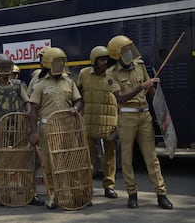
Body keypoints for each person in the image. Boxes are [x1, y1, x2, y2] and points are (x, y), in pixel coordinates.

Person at [106, 35, 173, 209]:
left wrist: (158, 102)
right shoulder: (111, 72)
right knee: (127, 158)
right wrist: (141, 87)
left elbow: (149, 88)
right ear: (117, 54)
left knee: (152, 157)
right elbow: (120, 98)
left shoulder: (139, 65)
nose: (129, 52)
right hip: (127, 117)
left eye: (129, 48)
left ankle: (161, 194)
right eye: (125, 50)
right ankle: (132, 194)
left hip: (144, 116)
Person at [27, 47, 83, 209]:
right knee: (50, 163)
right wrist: (34, 132)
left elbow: (78, 100)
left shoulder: (69, 82)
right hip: (47, 128)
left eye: (61, 62)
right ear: (47, 64)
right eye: (56, 62)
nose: (60, 65)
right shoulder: (40, 85)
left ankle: (75, 193)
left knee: (71, 160)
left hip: (67, 127)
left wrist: (76, 108)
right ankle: (54, 194)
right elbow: (32, 110)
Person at [0, 54, 35, 201]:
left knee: (23, 160)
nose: (6, 70)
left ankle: (29, 193)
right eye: (2, 67)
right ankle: (4, 194)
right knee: (3, 162)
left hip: (18, 128)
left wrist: (27, 112)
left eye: (8, 67)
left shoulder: (18, 85)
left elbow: (27, 102)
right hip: (0, 131)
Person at [77, 46, 118, 199]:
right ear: (94, 61)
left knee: (110, 157)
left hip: (110, 121)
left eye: (106, 59)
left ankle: (109, 186)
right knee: (87, 157)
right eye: (101, 59)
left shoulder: (113, 74)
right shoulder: (84, 74)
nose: (104, 62)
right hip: (89, 121)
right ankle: (86, 188)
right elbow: (78, 95)